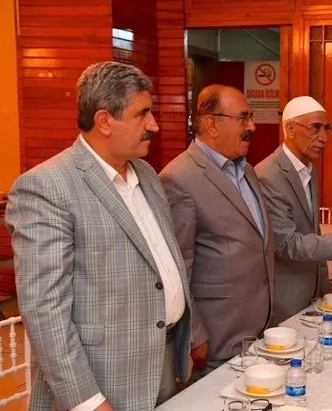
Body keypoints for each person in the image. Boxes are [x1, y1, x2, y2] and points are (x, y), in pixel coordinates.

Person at [5, 61, 192, 409]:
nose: (154, 124)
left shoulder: (147, 175)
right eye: (142, 114)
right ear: (104, 120)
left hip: (161, 368)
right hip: (102, 383)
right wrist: (87, 401)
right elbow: (45, 310)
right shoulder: (47, 186)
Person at [159, 84, 274, 375]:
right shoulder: (179, 179)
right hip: (216, 341)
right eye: (243, 118)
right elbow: (176, 269)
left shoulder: (246, 170)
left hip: (256, 333)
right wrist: (196, 336)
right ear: (211, 124)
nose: (252, 126)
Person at [255, 96, 332, 325]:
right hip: (284, 302)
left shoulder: (309, 169)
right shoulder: (269, 175)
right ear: (290, 129)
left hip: (311, 298)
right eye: (315, 128)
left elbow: (313, 232)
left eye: (326, 128)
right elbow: (287, 244)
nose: (324, 138)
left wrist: (325, 287)